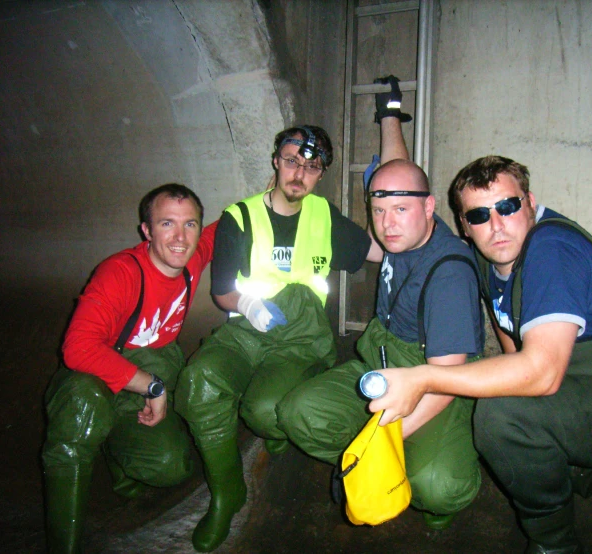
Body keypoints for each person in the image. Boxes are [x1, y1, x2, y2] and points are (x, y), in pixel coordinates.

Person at [369, 155, 592, 553]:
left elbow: (539, 374)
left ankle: (554, 544)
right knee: (506, 401)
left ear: (530, 203)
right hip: (589, 391)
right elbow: (512, 348)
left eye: (507, 206)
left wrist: (422, 378)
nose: (497, 225)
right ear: (465, 228)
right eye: (480, 215)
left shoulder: (551, 248)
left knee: (503, 417)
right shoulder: (493, 262)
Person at [277, 76, 484, 530]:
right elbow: (397, 175)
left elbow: (447, 380)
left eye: (400, 210)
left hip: (436, 380)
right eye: (378, 210)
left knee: (438, 484)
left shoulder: (447, 273)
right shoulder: (400, 222)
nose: (387, 224)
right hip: (379, 363)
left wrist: (368, 449)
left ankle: (429, 486)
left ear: (430, 208)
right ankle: (390, 460)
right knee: (297, 413)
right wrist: (389, 113)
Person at [175, 124, 383, 552]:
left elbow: (381, 250)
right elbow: (222, 290)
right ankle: (226, 493)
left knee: (266, 410)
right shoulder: (240, 216)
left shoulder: (326, 217)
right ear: (276, 161)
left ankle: (277, 423)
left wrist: (425, 240)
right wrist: (249, 305)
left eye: (311, 166)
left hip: (301, 339)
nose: (299, 173)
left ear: (320, 174)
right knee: (199, 381)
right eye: (292, 161)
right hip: (247, 329)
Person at [42, 184, 216, 554]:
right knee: (84, 409)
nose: (180, 237)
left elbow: (229, 226)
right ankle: (63, 543)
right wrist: (151, 386)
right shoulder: (120, 273)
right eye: (167, 223)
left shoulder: (193, 256)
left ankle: (115, 452)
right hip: (95, 378)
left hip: (146, 375)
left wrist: (280, 184)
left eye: (190, 225)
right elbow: (78, 348)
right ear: (147, 231)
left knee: (172, 467)